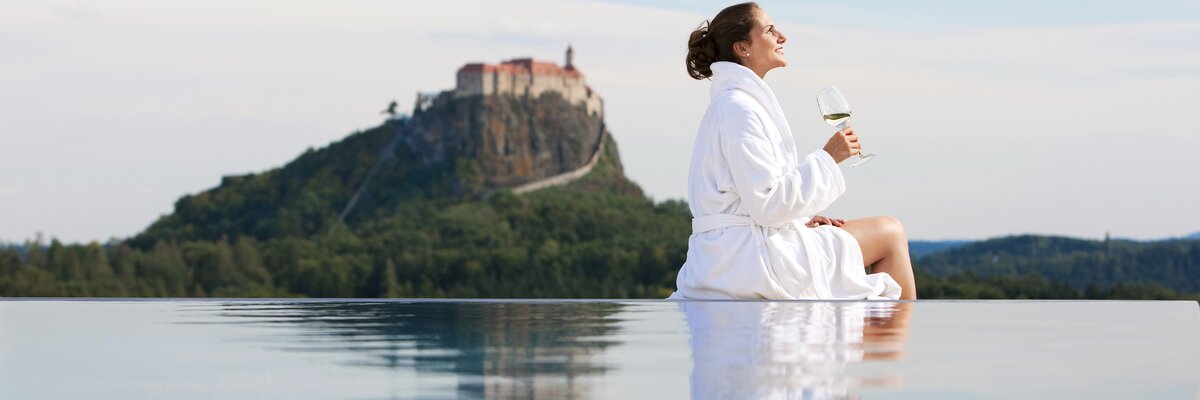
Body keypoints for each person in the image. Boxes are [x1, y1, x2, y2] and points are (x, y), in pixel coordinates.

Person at [669, 2, 917, 300]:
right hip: (751, 261)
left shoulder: (734, 105)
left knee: (881, 232)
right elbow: (767, 203)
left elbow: (753, 196)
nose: (782, 37)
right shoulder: (739, 109)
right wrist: (829, 158)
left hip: (731, 253)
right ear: (742, 48)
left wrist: (801, 217)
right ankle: (894, 347)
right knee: (890, 232)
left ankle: (885, 346)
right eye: (770, 30)